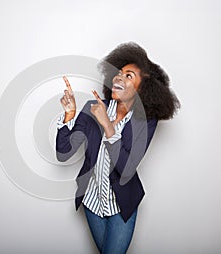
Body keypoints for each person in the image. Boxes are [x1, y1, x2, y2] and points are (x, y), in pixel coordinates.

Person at [56, 42, 180, 254]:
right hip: (92, 201)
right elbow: (63, 152)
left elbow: (127, 168)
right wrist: (69, 115)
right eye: (119, 73)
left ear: (142, 88)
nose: (119, 77)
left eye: (129, 76)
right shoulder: (92, 108)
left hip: (122, 205)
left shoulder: (146, 122)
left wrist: (107, 126)